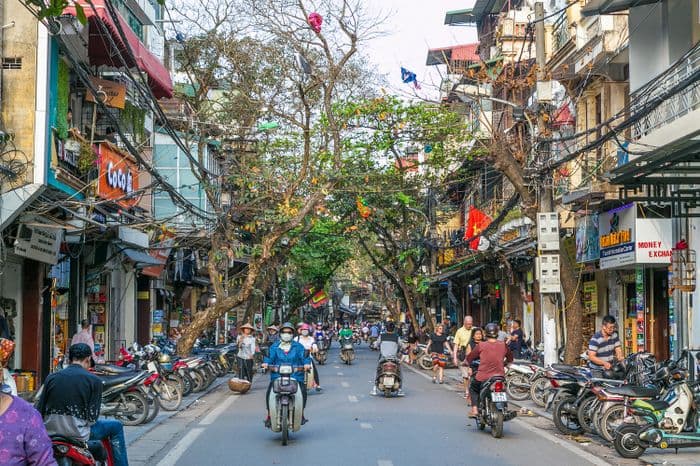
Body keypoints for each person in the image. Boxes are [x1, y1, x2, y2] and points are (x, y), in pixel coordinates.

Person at [37, 343, 129, 466]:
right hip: (78, 434)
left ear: (70, 359)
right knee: (116, 426)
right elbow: (92, 419)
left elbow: (39, 410)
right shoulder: (94, 380)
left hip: (51, 432)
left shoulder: (51, 377)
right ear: (88, 359)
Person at [262, 322, 312, 427]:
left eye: (289, 332)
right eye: (284, 332)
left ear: (292, 334)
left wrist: (306, 364)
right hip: (277, 376)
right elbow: (269, 357)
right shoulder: (274, 346)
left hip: (296, 376)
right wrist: (266, 363)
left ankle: (301, 413)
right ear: (280, 334)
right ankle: (269, 415)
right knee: (269, 392)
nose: (286, 334)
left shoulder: (298, 346)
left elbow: (305, 357)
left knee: (303, 392)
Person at [466, 323, 513, 417]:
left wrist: (467, 362)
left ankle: (475, 410)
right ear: (497, 333)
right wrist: (506, 364)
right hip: (499, 376)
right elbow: (510, 358)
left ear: (485, 334)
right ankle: (504, 408)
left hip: (483, 376)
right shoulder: (503, 345)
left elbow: (470, 357)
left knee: (473, 388)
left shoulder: (481, 345)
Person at [373, 321, 404, 395]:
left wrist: (375, 346)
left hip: (383, 358)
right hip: (394, 359)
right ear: (394, 329)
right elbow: (403, 346)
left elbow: (376, 344)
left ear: (386, 328)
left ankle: (374, 388)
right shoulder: (397, 337)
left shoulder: (382, 336)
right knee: (399, 370)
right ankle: (400, 389)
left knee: (378, 370)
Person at [453, 316, 475, 399]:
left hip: (474, 355)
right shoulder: (459, 331)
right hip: (463, 355)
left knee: (473, 375)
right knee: (465, 376)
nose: (470, 325)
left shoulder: (475, 330)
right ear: (464, 323)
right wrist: (454, 357)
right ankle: (467, 390)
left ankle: (473, 390)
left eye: (471, 324)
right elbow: (456, 345)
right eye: (468, 324)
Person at [460, 327, 484, 403]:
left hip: (484, 366)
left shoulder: (485, 343)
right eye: (477, 334)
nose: (479, 336)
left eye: (480, 334)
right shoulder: (470, 344)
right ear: (473, 336)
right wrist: (469, 368)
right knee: (473, 383)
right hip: (474, 366)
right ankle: (471, 398)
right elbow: (468, 357)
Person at [295, 323, 321, 391]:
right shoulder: (296, 339)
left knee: (314, 369)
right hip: (298, 358)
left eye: (306, 330)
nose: (304, 331)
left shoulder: (311, 339)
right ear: (300, 331)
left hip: (308, 357)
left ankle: (317, 385)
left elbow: (314, 345)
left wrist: (314, 347)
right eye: (303, 330)